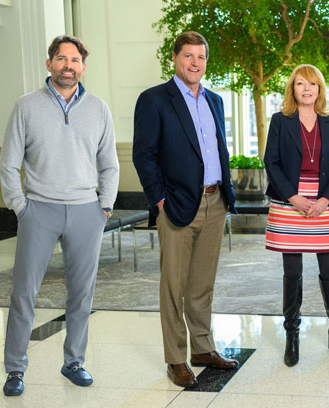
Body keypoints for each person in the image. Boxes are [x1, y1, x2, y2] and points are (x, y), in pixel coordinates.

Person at [0, 35, 119, 396]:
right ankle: (15, 370)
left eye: (76, 60)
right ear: (49, 63)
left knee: (82, 293)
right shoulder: (25, 106)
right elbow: (8, 165)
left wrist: (104, 207)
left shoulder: (99, 108)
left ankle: (74, 362)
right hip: (39, 209)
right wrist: (21, 207)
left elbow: (110, 164)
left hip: (86, 211)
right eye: (62, 58)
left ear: (83, 66)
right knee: (24, 292)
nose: (69, 65)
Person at [132, 31, 238, 388]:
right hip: (176, 204)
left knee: (201, 285)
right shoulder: (154, 100)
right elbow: (143, 155)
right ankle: (176, 358)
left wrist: (226, 191)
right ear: (175, 58)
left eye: (201, 57)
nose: (195, 63)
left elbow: (219, 148)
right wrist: (159, 199)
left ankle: (203, 348)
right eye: (189, 56)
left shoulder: (216, 101)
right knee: (173, 285)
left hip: (215, 201)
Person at [264, 64, 329, 367]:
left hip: (322, 204)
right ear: (293, 89)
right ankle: (292, 337)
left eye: (312, 84)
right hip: (289, 201)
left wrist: (325, 199)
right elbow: (272, 162)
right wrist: (294, 197)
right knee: (293, 272)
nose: (306, 89)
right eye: (300, 83)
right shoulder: (280, 121)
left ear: (320, 90)